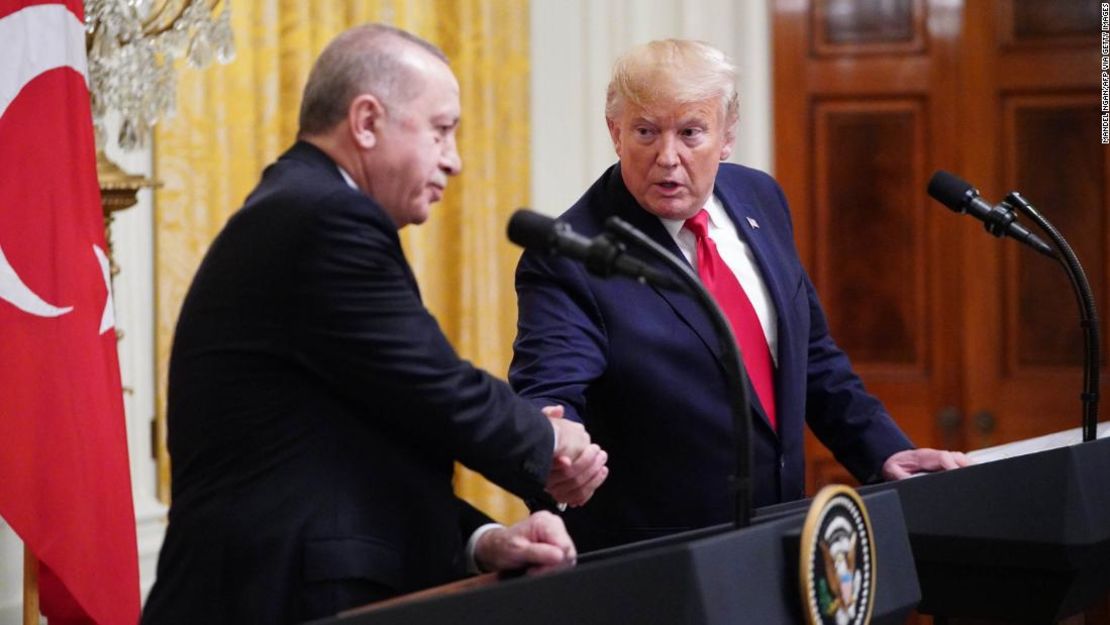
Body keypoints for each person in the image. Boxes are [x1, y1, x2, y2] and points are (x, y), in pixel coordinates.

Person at [141, 24, 608, 625]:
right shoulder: (323, 218)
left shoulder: (305, 208)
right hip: (270, 598)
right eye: (441, 130)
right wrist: (546, 444)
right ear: (366, 122)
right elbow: (435, 384)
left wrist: (484, 542)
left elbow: (368, 450)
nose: (455, 161)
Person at [509, 39, 968, 553]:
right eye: (645, 132)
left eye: (690, 133)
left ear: (726, 136)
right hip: (664, 560)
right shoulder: (572, 254)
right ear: (615, 132)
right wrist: (557, 442)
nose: (668, 157)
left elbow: (812, 357)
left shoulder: (760, 198)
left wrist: (883, 452)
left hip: (786, 536)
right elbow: (551, 388)